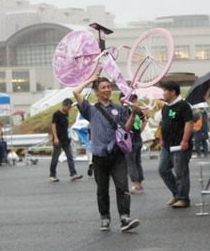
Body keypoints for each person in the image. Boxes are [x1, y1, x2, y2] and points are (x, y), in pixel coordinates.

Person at [73, 74, 139, 232]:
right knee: (102, 189)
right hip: (99, 155)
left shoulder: (119, 108)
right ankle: (105, 217)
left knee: (122, 187)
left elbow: (126, 130)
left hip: (117, 154)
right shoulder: (90, 109)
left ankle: (125, 217)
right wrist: (90, 79)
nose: (107, 89)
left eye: (109, 86)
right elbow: (76, 92)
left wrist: (134, 114)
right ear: (96, 91)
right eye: (103, 87)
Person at [158, 81, 194, 208]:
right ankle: (176, 194)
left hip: (180, 145)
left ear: (173, 92)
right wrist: (161, 138)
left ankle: (183, 198)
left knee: (181, 172)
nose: (163, 93)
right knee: (163, 170)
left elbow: (189, 123)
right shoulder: (165, 107)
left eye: (165, 91)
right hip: (167, 145)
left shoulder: (183, 106)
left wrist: (184, 140)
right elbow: (163, 123)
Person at [49, 98, 83, 182]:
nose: (69, 109)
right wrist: (55, 138)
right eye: (68, 107)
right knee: (55, 157)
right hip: (58, 139)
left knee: (69, 156)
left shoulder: (66, 113)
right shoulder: (56, 114)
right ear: (64, 105)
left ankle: (73, 174)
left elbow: (66, 126)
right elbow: (53, 126)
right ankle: (52, 175)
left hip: (66, 139)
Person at [124, 94, 148, 194]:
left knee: (131, 163)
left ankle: (136, 185)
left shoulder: (126, 110)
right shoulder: (137, 110)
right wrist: (140, 131)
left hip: (130, 140)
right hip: (138, 139)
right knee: (137, 162)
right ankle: (140, 184)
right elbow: (145, 120)